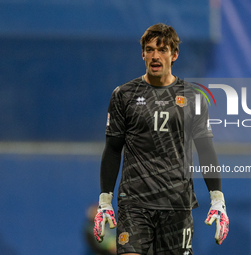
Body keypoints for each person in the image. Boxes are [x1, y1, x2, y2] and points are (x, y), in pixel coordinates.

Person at [92, 23, 229, 255]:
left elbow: (205, 150)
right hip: (134, 204)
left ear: (174, 55)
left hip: (177, 204)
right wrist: (105, 200)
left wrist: (218, 200)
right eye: (150, 49)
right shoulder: (124, 95)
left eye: (162, 49)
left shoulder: (193, 98)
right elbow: (113, 149)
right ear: (143, 54)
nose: (155, 56)